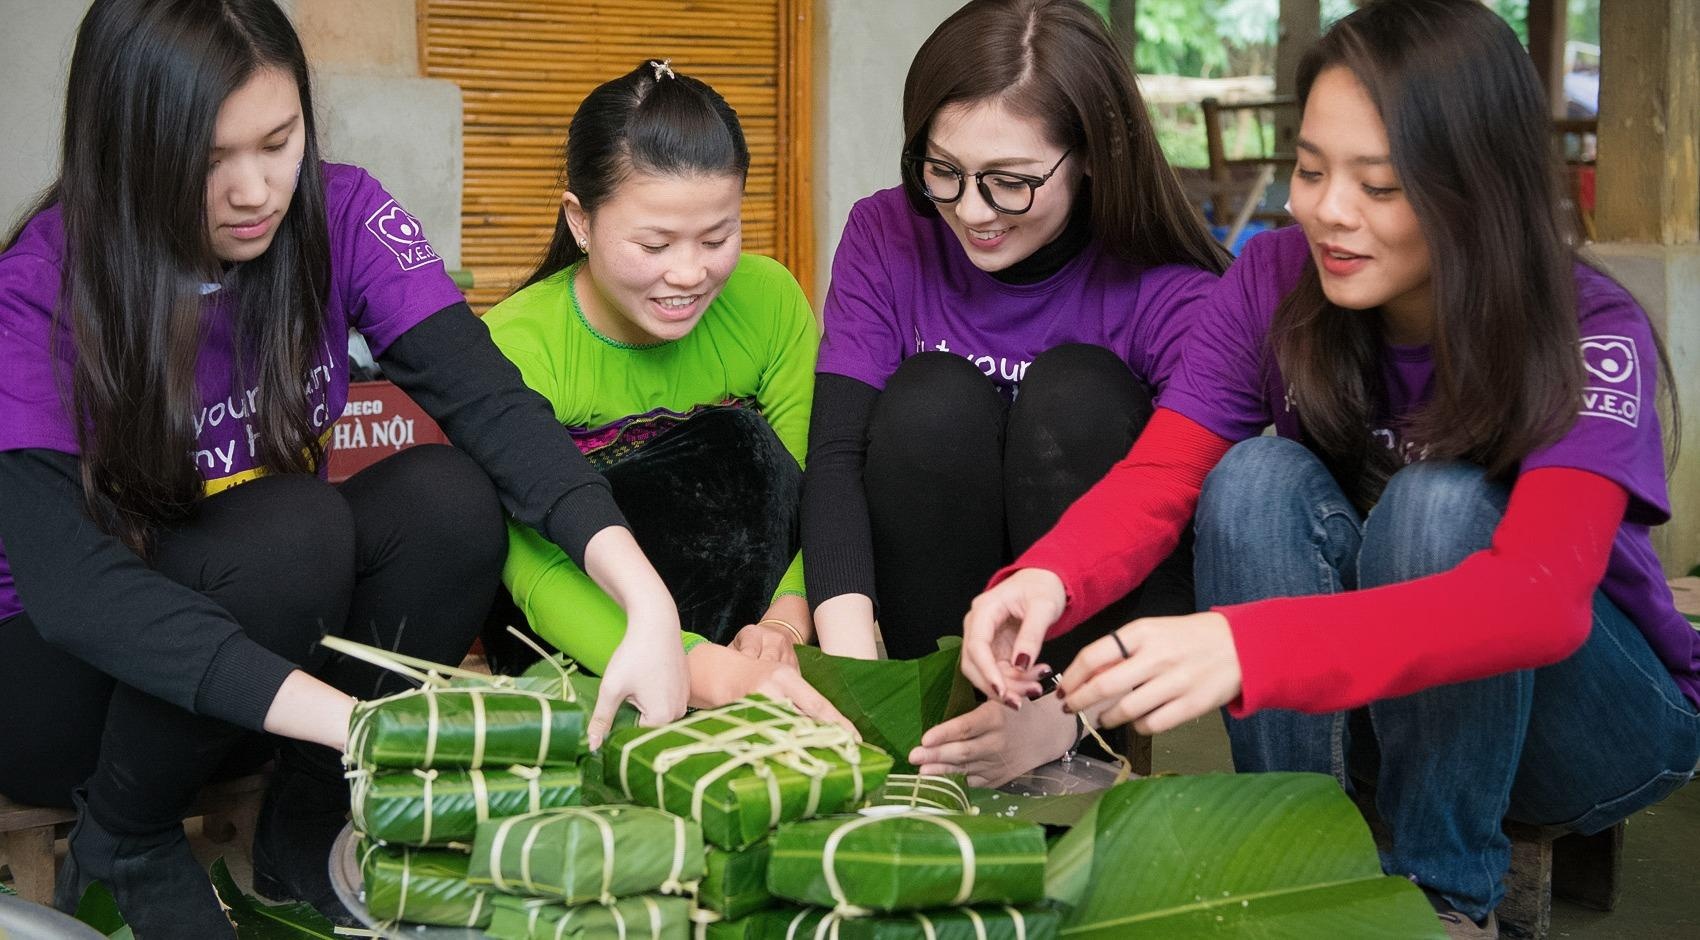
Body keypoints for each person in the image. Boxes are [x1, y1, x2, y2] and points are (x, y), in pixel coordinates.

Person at [963, 1, 1700, 935]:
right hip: (1386, 708)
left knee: (1439, 504)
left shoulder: (1586, 330)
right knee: (1253, 478)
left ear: (1482, 187)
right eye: (1311, 170)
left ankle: (1444, 900)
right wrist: (1045, 579)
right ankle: (1299, 859)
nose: (1328, 211)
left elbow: (1540, 601)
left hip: (1590, 728)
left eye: (1380, 185)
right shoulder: (1275, 279)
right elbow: (1164, 475)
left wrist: (1247, 648)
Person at [0, 1, 688, 932]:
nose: (256, 190)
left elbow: (491, 403)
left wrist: (648, 602)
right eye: (208, 160)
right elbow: (74, 590)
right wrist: (372, 729)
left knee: (449, 501)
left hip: (258, 674)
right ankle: (126, 835)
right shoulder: (41, 285)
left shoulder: (343, 212)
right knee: (294, 529)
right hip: (71, 698)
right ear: (127, 149)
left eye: (277, 141)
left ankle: (309, 816)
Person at [802, 0, 1228, 784]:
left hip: (1086, 672)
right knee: (931, 401)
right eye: (943, 170)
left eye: (1010, 182)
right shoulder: (886, 233)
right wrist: (857, 687)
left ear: (1092, 155)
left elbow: (1182, 518)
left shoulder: (1173, 288)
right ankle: (937, 729)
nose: (971, 211)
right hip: (932, 630)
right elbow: (834, 460)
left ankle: (1073, 745)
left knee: (1077, 394)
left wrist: (1069, 707)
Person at [480, 60, 848, 726]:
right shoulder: (515, 344)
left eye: (717, 238)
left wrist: (786, 620)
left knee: (748, 446)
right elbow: (530, 567)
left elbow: (809, 487)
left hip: (755, 640)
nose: (689, 273)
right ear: (581, 221)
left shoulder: (768, 301)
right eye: (654, 245)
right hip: (584, 645)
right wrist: (693, 665)